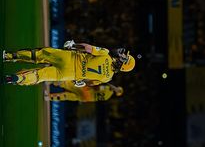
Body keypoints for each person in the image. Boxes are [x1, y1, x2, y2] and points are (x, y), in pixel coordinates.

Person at [2, 41, 135, 86]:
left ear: (123, 62)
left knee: (39, 54)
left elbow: (87, 48)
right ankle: (18, 78)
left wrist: (73, 45)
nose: (122, 54)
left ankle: (8, 56)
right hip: (69, 74)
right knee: (39, 76)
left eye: (124, 56)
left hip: (70, 58)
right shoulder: (107, 78)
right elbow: (90, 82)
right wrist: (82, 82)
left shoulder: (106, 54)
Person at [45, 81, 124, 102]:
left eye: (117, 90)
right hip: (86, 99)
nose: (116, 88)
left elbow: (96, 88)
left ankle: (51, 82)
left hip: (86, 91)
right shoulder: (108, 97)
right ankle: (49, 97)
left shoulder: (107, 89)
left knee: (69, 84)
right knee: (67, 96)